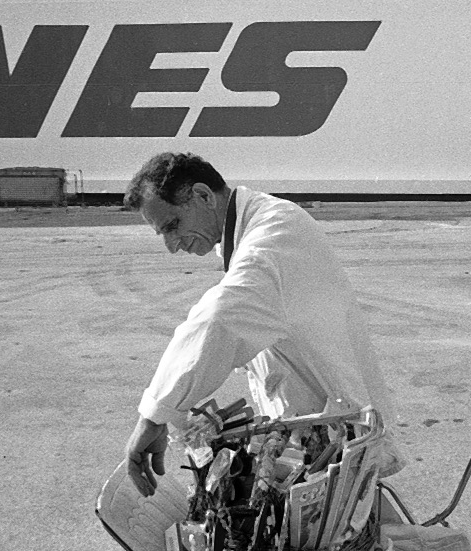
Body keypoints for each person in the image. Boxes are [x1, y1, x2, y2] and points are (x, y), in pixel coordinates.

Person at [120, 153, 404, 496]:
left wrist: (154, 415)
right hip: (319, 435)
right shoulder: (262, 223)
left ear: (203, 195)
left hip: (333, 440)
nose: (171, 245)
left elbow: (219, 321)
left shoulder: (270, 242)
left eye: (172, 225)